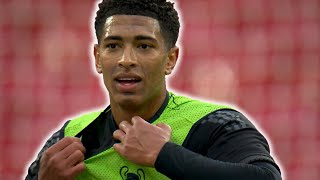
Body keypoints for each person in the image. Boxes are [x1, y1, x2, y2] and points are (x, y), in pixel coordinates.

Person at [25, 0, 282, 179]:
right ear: (97, 57)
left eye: (144, 46)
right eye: (113, 46)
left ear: (170, 59)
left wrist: (164, 155)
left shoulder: (213, 124)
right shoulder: (69, 138)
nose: (126, 59)